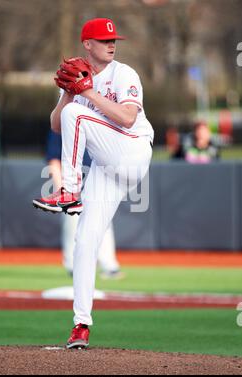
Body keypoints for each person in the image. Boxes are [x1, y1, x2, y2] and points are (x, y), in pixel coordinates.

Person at [33, 18, 154, 349]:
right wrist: (67, 96)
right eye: (103, 40)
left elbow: (128, 118)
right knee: (85, 241)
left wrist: (84, 94)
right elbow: (56, 125)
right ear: (87, 44)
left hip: (132, 151)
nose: (111, 44)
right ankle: (81, 325)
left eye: (114, 39)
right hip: (104, 166)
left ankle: (69, 191)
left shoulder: (124, 74)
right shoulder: (76, 73)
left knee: (78, 114)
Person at [46, 129, 123, 279]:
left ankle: (109, 266)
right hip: (72, 183)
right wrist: (61, 188)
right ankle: (74, 266)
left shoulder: (97, 122)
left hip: (98, 179)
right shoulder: (61, 125)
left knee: (104, 222)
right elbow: (54, 159)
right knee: (73, 225)